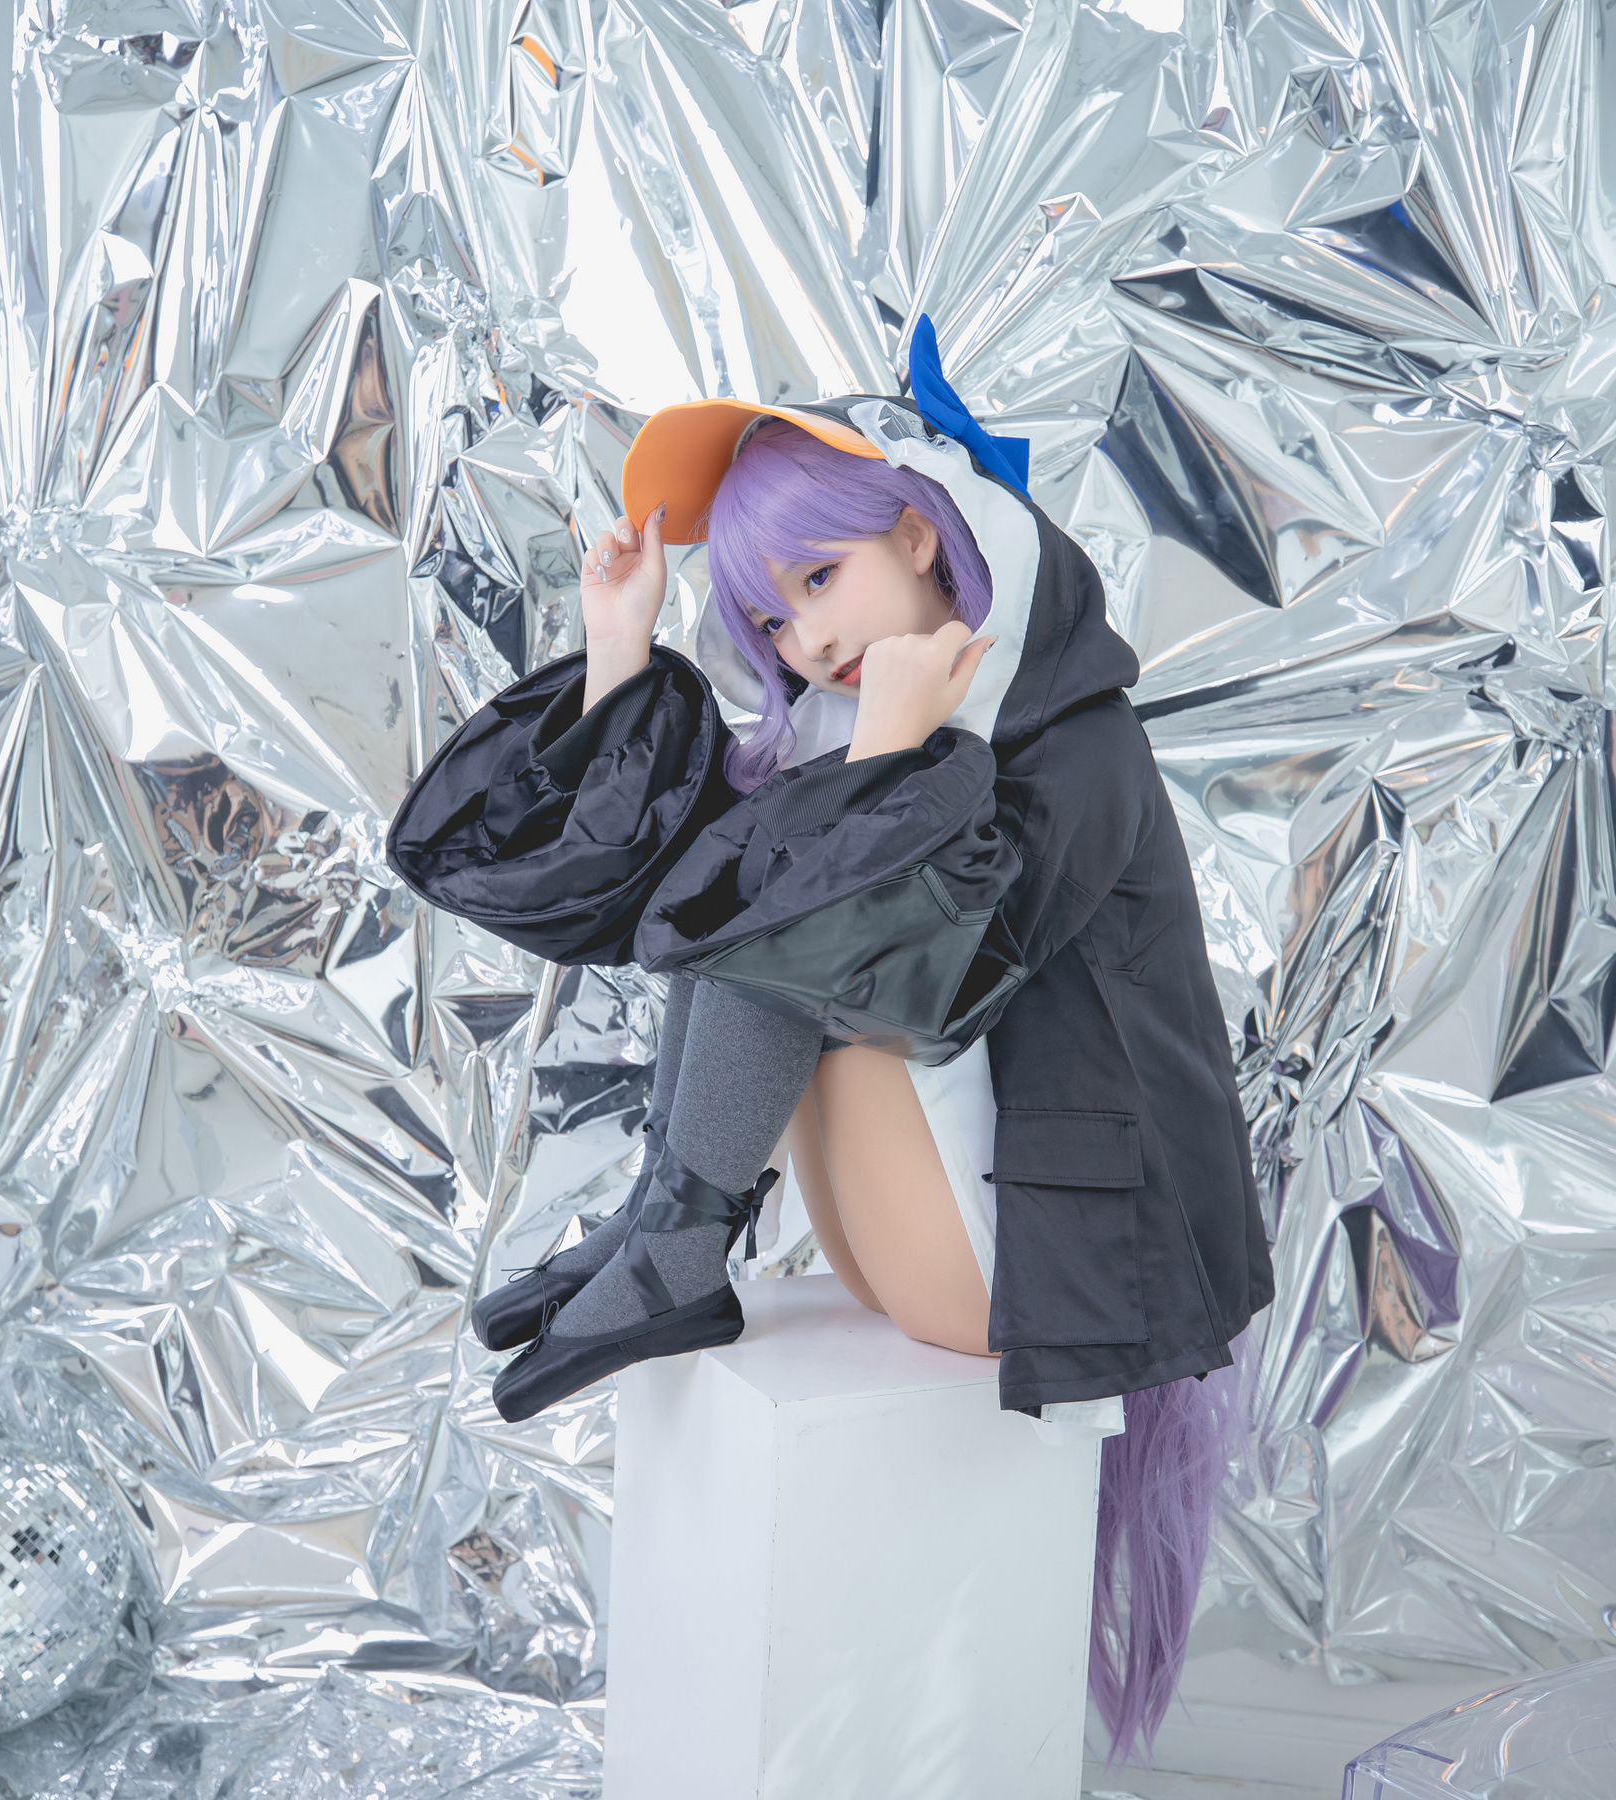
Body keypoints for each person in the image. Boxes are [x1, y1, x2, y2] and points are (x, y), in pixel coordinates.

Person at [388, 318, 1273, 1746]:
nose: (806, 641)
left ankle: (677, 1245)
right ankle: (666, 1230)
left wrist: (889, 757)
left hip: (1031, 1264)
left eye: (819, 579)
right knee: (750, 880)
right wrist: (620, 648)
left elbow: (923, 984)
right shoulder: (842, 727)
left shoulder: (1078, 741)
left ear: (922, 532)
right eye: (772, 621)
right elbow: (633, 889)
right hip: (913, 1242)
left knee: (784, 911)